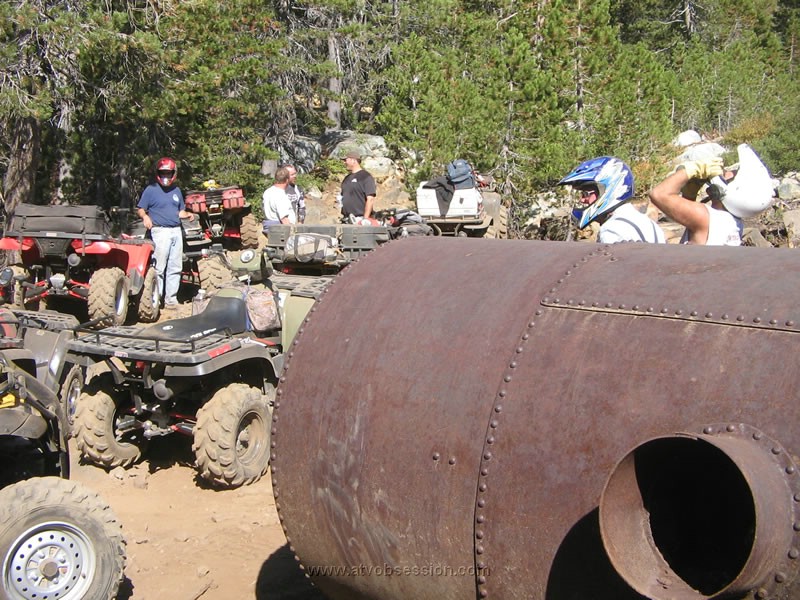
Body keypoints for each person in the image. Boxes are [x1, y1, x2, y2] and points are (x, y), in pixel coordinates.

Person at [648, 143, 774, 246]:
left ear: (736, 190)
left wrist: (693, 170)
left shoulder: (706, 218)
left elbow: (658, 194)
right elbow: (685, 216)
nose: (726, 172)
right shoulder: (731, 222)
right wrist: (690, 194)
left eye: (732, 173)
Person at [558, 156, 665, 244]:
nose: (582, 200)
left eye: (586, 194)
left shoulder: (612, 230)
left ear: (608, 189)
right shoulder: (650, 224)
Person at [137, 157, 194, 309]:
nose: (166, 177)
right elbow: (140, 208)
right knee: (159, 267)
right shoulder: (151, 190)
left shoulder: (176, 191)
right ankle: (157, 299)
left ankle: (171, 300)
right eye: (163, 173)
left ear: (173, 174)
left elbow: (179, 211)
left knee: (175, 266)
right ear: (158, 173)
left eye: (168, 173)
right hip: (160, 231)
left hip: (176, 230)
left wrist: (187, 214)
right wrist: (145, 217)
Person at [340, 150, 377, 221]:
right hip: (347, 219)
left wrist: (365, 219)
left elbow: (370, 199)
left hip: (360, 219)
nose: (344, 162)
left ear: (353, 160)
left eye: (346, 160)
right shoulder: (346, 179)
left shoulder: (366, 177)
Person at [262, 166, 295, 232]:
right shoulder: (280, 195)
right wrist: (292, 232)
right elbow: (284, 218)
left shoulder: (268, 191)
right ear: (287, 180)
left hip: (270, 227)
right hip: (280, 230)